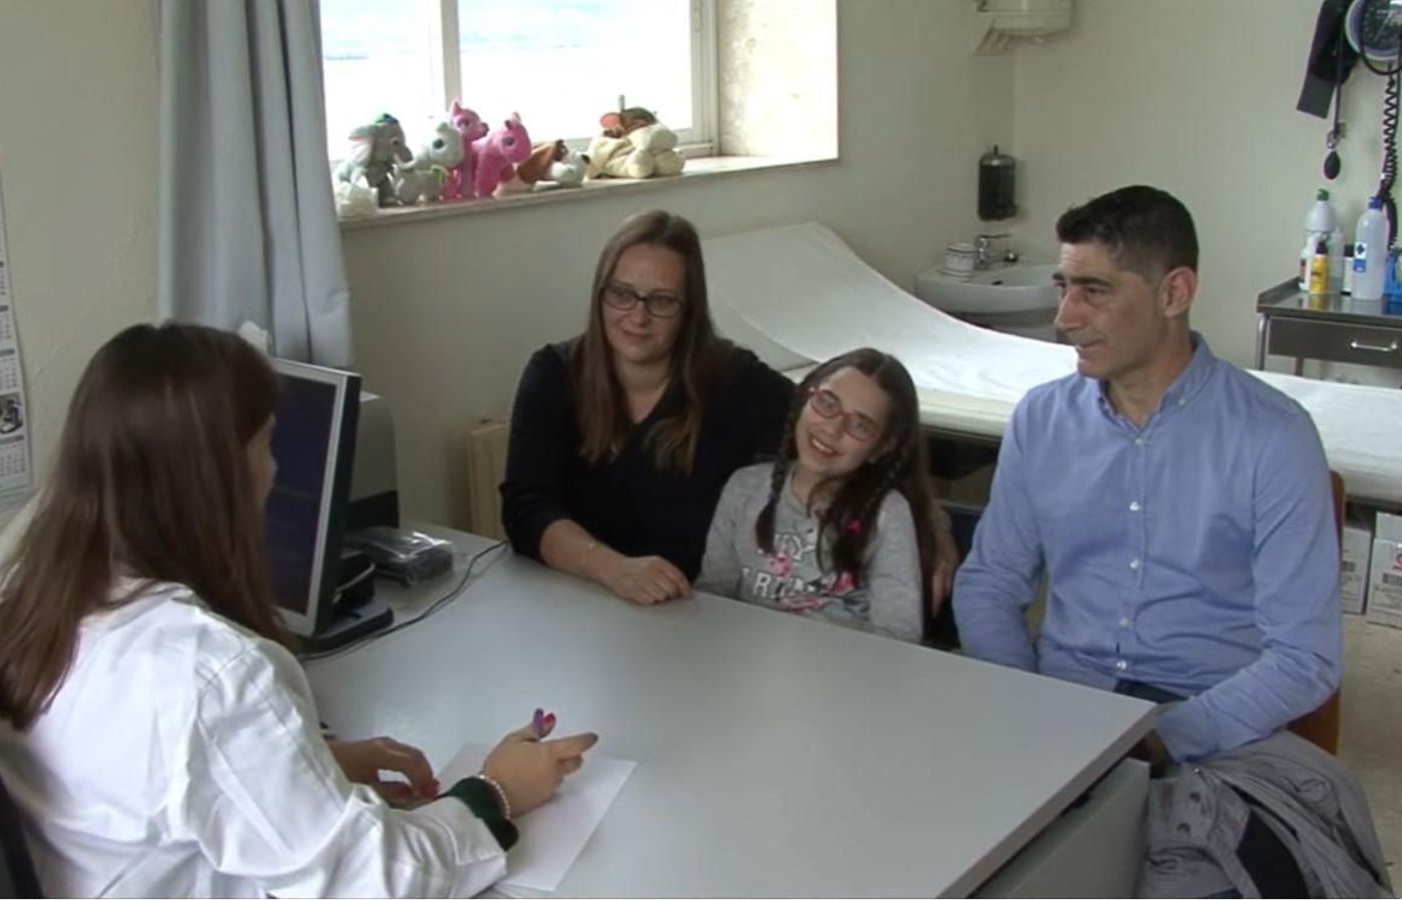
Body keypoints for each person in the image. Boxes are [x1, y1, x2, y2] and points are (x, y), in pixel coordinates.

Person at [0, 323, 597, 898]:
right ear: (212, 478)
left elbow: (166, 784)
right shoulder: (210, 674)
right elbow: (375, 882)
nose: (276, 468)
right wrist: (496, 792)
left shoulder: (29, 596)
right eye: (266, 444)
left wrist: (307, 768)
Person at [952, 186, 1350, 893]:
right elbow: (990, 582)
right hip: (1062, 708)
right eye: (1064, 287)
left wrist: (1162, 738)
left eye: (1094, 291)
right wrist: (1029, 703)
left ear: (1175, 292)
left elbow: (1304, 657)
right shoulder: (1042, 421)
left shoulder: (1273, 437)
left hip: (1208, 729)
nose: (1064, 317)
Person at [501, 210, 959, 606]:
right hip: (575, 597)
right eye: (622, 294)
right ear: (600, 295)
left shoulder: (732, 379)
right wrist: (613, 570)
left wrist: (930, 523)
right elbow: (526, 508)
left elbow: (840, 432)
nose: (638, 317)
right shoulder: (553, 375)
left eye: (661, 301)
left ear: (688, 310)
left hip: (693, 614)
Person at [697, 348, 936, 643]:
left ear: (883, 447)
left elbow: (899, 633)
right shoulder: (744, 487)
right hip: (745, 661)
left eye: (860, 425)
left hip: (843, 676)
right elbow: (713, 597)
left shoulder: (888, 514)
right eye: (827, 403)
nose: (833, 428)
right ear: (804, 399)